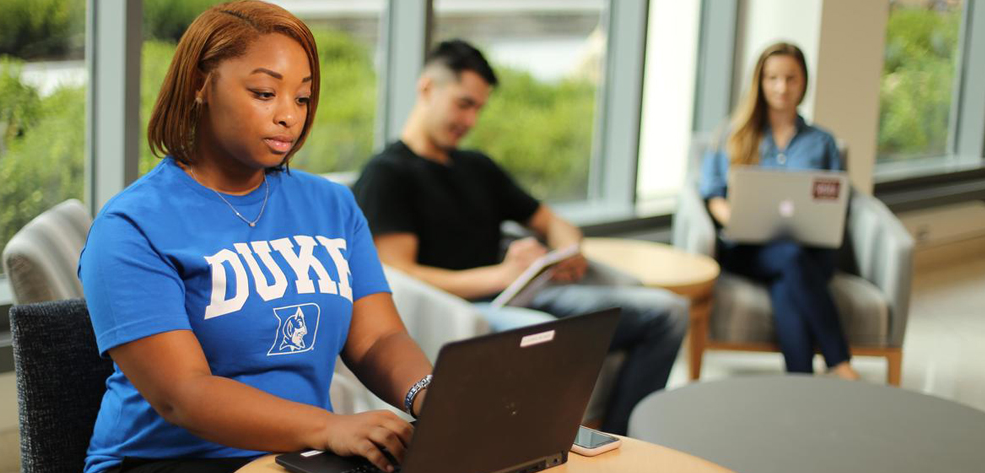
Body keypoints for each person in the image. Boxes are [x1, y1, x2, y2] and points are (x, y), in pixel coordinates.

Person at [78, 3, 432, 472]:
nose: (289, 116)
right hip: (166, 460)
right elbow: (184, 395)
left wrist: (429, 396)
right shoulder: (132, 227)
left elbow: (377, 339)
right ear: (201, 85)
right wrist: (331, 427)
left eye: (302, 99)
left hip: (299, 457)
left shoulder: (332, 206)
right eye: (265, 93)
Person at [351, 39, 688, 435]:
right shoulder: (388, 174)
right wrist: (500, 275)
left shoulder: (477, 166)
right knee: (547, 335)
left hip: (525, 290)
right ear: (427, 89)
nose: (472, 119)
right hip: (463, 307)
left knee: (669, 312)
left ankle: (618, 439)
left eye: (479, 107)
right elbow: (399, 274)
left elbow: (552, 221)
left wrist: (567, 251)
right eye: (464, 103)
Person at [698, 42, 860, 381]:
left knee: (788, 274)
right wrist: (738, 220)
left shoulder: (823, 142)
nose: (781, 87)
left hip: (810, 252)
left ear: (803, 83)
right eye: (772, 78)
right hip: (749, 251)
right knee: (789, 260)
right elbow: (713, 195)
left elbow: (835, 201)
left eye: (791, 78)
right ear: (759, 81)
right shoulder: (732, 134)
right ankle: (839, 362)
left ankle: (798, 383)